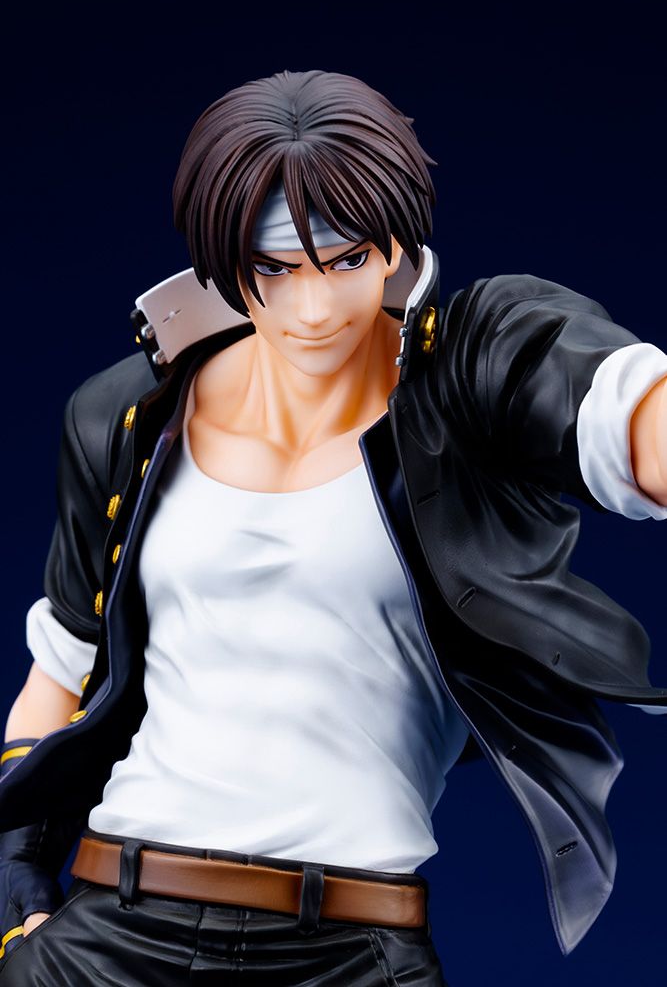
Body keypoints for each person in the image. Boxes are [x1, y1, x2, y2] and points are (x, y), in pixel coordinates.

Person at [1, 68, 667, 986]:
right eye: (274, 268)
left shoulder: (465, 378)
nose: (312, 310)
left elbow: (617, 404)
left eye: (346, 260)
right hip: (110, 933)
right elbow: (62, 672)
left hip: (349, 946)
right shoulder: (128, 416)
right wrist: (15, 893)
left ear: (396, 247)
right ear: (223, 262)